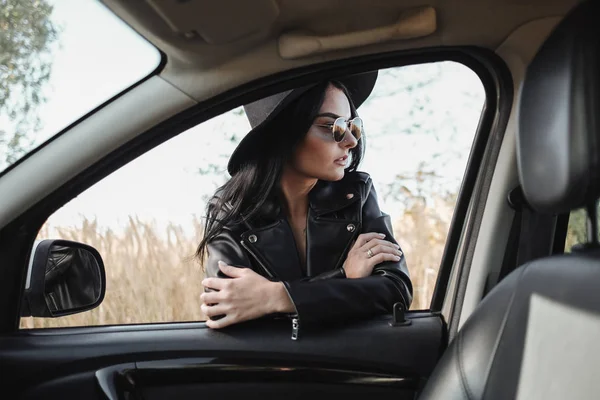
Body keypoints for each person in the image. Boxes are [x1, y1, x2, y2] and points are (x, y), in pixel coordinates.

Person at [196, 71, 412, 339]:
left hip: (352, 365)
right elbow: (226, 312)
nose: (351, 141)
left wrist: (277, 297)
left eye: (351, 126)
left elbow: (395, 290)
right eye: (331, 127)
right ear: (284, 133)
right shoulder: (231, 210)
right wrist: (343, 277)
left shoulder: (357, 194)